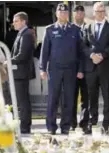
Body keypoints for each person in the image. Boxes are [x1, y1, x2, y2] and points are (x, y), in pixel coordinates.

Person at [39, 3, 84, 135]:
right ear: (56, 14)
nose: (63, 14)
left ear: (68, 14)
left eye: (65, 12)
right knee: (53, 98)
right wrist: (42, 68)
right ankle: (51, 126)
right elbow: (44, 51)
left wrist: (80, 69)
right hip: (55, 69)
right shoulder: (50, 30)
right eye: (61, 12)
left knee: (69, 99)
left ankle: (66, 126)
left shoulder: (75, 29)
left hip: (71, 69)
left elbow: (80, 52)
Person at [82, 2, 109, 134]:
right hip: (91, 67)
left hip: (106, 66)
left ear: (106, 13)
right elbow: (83, 45)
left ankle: (107, 123)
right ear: (93, 12)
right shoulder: (87, 27)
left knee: (107, 96)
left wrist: (102, 55)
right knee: (92, 97)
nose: (100, 13)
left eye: (102, 11)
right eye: (98, 11)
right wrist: (92, 55)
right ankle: (93, 122)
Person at [10, 12, 35, 133]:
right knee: (22, 100)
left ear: (23, 21)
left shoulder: (26, 34)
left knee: (23, 100)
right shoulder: (21, 33)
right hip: (19, 73)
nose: (13, 23)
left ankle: (25, 127)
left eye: (16, 21)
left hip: (21, 73)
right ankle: (24, 125)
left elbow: (22, 55)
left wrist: (8, 61)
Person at [71, 5, 89, 131]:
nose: (79, 15)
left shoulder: (89, 28)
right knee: (71, 97)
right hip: (72, 69)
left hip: (87, 69)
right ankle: (72, 123)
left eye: (81, 12)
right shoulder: (69, 29)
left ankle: (84, 123)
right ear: (73, 14)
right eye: (77, 12)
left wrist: (82, 69)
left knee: (86, 98)